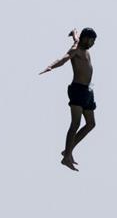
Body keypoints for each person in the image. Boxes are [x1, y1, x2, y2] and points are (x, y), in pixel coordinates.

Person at [40, 28, 98, 171]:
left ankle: (68, 150)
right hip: (77, 90)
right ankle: (66, 157)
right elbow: (63, 59)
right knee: (76, 123)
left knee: (91, 123)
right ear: (85, 39)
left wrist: (74, 32)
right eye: (90, 40)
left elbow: (76, 36)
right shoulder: (76, 49)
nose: (92, 44)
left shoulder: (80, 42)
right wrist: (50, 66)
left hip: (87, 91)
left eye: (93, 42)